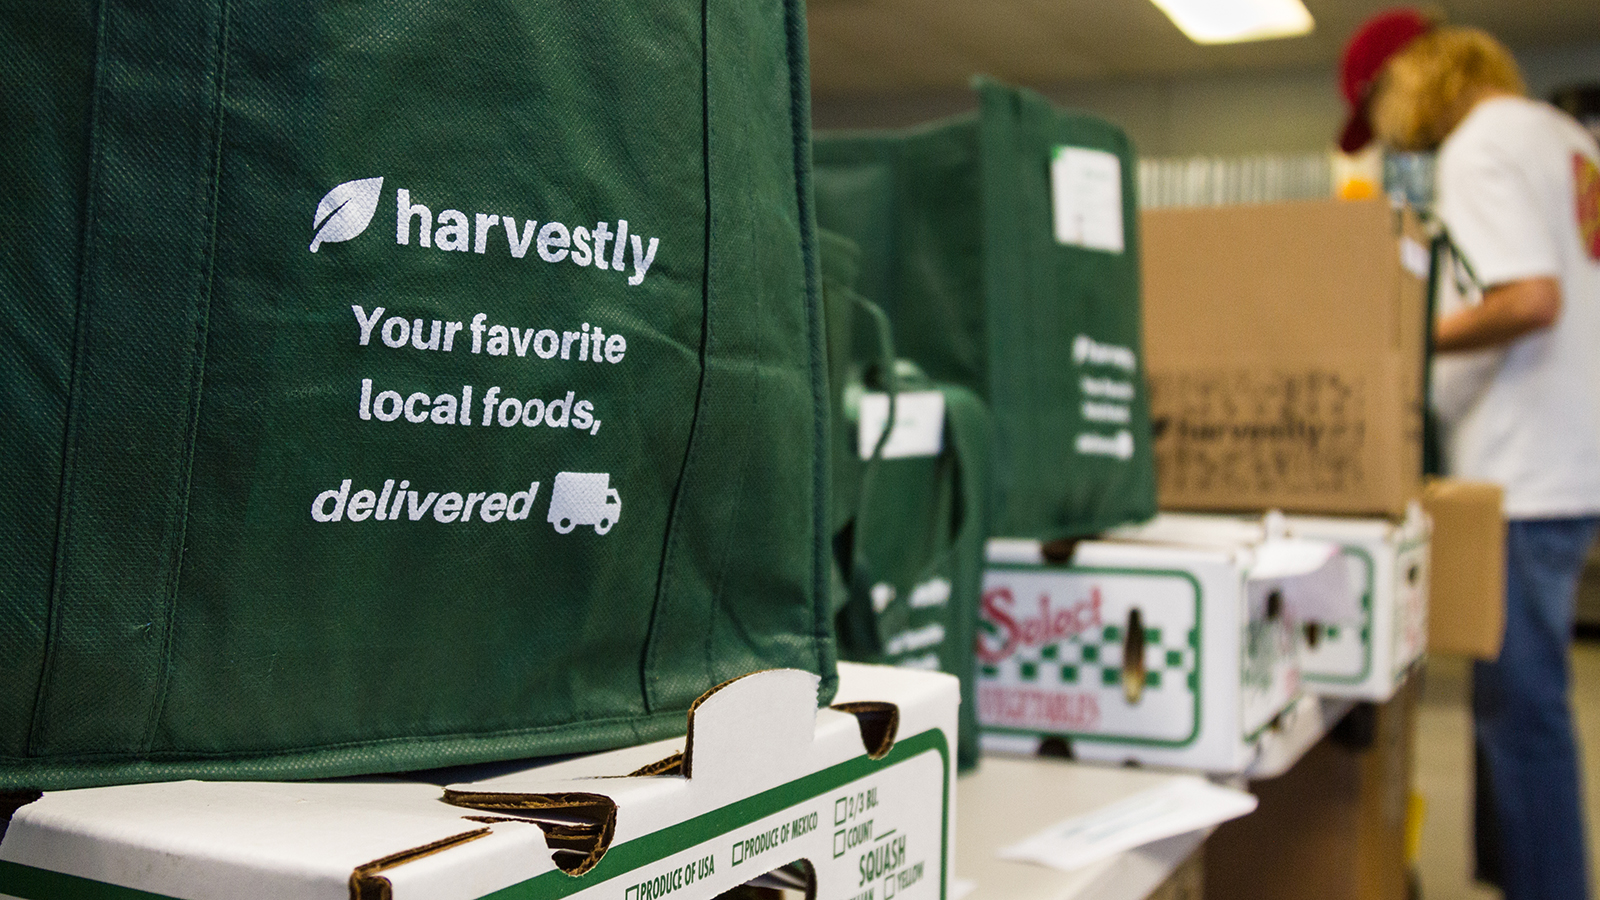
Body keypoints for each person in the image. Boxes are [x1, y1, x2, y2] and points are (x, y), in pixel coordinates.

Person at [1340, 9, 1600, 899]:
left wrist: (1402, 341)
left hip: (1524, 472)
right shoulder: (1563, 137)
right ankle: (1511, 872)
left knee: (1521, 715)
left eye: (1375, 107)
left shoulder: (1480, 148)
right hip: (1570, 456)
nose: (1387, 130)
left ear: (1405, 77)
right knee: (1519, 702)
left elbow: (1531, 298)